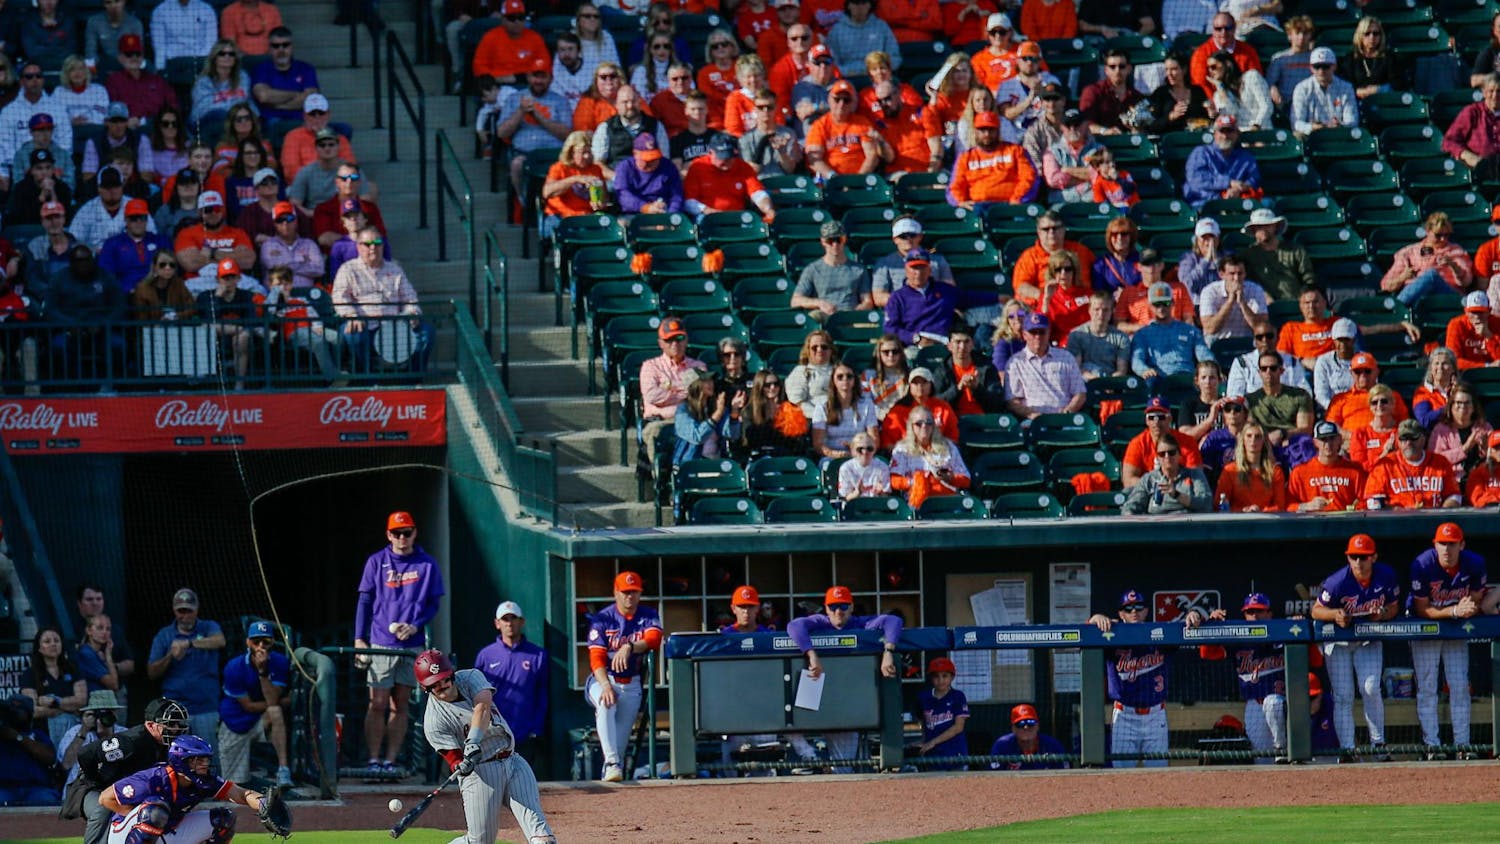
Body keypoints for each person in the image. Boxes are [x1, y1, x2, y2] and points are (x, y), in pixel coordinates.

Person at [412, 651, 556, 844]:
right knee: (480, 842)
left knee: (543, 839)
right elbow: (453, 758)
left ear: (451, 674)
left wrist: (472, 740)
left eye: (444, 678)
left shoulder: (470, 677)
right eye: (434, 684)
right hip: (481, 775)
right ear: (425, 687)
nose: (442, 685)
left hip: (513, 762)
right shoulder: (433, 721)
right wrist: (460, 765)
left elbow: (483, 706)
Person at [354, 511, 445, 774]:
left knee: (400, 703)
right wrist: (360, 639)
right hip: (380, 642)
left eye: (406, 532)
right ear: (388, 535)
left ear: (415, 533)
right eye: (396, 533)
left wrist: (416, 624)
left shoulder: (427, 564)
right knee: (377, 702)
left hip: (411, 644)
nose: (402, 538)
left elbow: (433, 603)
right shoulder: (376, 562)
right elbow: (365, 601)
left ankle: (391, 761)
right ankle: (373, 760)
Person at [786, 585, 901, 772]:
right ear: (826, 608)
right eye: (833, 607)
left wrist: (888, 651)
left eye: (843, 606)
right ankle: (812, 759)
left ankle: (831, 779)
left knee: (843, 769)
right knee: (787, 722)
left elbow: (893, 621)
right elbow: (794, 626)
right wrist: (811, 654)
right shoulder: (821, 622)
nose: (838, 612)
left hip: (844, 704)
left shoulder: (860, 623)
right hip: (816, 696)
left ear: (852, 607)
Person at [1088, 589, 1209, 766]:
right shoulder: (1110, 635)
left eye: (1138, 607)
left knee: (1158, 772)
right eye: (1128, 609)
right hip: (1124, 715)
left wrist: (1194, 614)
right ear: (1121, 613)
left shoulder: (1160, 634)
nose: (1134, 612)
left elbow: (1189, 628)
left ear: (1146, 610)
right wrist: (1094, 619)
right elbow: (1085, 633)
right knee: (1121, 775)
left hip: (1155, 715)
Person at [1310, 533, 1400, 760]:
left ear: (1374, 557)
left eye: (1363, 557)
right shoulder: (1337, 581)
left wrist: (1384, 615)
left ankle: (1378, 745)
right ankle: (1347, 749)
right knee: (1343, 696)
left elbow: (1394, 606)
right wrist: (1335, 614)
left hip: (1367, 639)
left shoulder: (1386, 576)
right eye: (1354, 557)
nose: (1359, 562)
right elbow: (1316, 610)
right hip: (1339, 642)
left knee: (1370, 688)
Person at [1407, 522, 1489, 759]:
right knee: (1427, 688)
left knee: (1460, 686)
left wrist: (1466, 609)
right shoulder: (1422, 564)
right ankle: (1432, 746)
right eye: (1442, 543)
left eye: (1451, 544)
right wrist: (1454, 611)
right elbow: (1423, 609)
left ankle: (1462, 746)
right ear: (1435, 544)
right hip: (1426, 629)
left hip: (1455, 631)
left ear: (1461, 545)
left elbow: (1474, 600)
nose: (1446, 549)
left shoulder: (1474, 563)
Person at [100, 735, 275, 842]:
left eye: (205, 759)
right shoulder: (153, 778)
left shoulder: (204, 780)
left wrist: (264, 804)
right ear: (181, 761)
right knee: (155, 810)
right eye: (198, 760)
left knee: (224, 819)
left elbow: (239, 794)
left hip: (168, 831)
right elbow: (105, 798)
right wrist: (141, 816)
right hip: (125, 835)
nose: (204, 764)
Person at [586, 571, 662, 783]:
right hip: (604, 679)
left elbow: (654, 639)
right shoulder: (603, 618)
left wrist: (629, 646)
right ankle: (610, 762)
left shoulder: (648, 614)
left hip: (632, 683)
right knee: (606, 703)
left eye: (634, 592)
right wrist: (605, 685)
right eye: (626, 592)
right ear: (616, 592)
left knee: (619, 748)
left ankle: (610, 771)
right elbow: (596, 657)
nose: (630, 597)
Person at [1197, 593, 1291, 760]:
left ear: (1270, 614)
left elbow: (1315, 661)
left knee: (1273, 703)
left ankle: (1281, 748)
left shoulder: (1284, 632)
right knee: (1261, 761)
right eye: (1250, 612)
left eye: (1259, 611)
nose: (1254, 615)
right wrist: (1212, 625)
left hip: (1284, 707)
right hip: (1254, 706)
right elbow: (1207, 654)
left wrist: (1298, 624)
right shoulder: (1239, 639)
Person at [332, 226, 433, 373]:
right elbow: (339, 297)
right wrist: (352, 316)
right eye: (367, 244)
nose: (373, 247)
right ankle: (364, 378)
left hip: (395, 325)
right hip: (365, 324)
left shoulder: (395, 269)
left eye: (377, 243)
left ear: (383, 245)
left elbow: (410, 297)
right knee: (353, 334)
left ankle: (413, 376)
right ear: (359, 247)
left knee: (426, 332)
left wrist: (411, 312)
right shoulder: (348, 269)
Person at [145, 589, 224, 751]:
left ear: (196, 610)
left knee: (208, 757)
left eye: (189, 611)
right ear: (174, 610)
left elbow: (220, 641)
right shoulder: (165, 635)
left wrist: (188, 643)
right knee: (177, 758)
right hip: (175, 711)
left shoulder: (208, 627)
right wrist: (170, 656)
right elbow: (151, 672)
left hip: (206, 708)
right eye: (181, 611)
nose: (185, 615)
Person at [217, 620, 291, 788]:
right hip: (235, 723)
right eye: (256, 641)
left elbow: (272, 703)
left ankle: (283, 770)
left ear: (272, 642)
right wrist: (283, 702)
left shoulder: (279, 662)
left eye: (265, 641)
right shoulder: (234, 667)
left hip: (260, 720)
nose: (260, 646)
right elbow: (248, 706)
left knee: (275, 712)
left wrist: (263, 672)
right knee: (233, 786)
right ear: (248, 642)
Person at [473, 601, 548, 764]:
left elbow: (542, 694)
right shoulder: (485, 656)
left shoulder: (538, 655)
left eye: (513, 618)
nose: (509, 623)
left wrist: (536, 727)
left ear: (522, 622)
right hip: (493, 732)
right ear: (497, 623)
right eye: (505, 619)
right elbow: (476, 695)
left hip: (525, 733)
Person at [1363, 418, 1463, 509]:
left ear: (1423, 439)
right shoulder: (1385, 465)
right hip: (1396, 523)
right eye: (1404, 438)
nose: (1408, 443)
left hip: (1432, 520)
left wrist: (1441, 512)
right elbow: (1372, 501)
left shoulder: (1440, 462)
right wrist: (1394, 510)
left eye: (1413, 438)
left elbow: (1455, 496)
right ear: (1398, 441)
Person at [1380, 212, 1475, 307]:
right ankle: (1398, 308)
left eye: (1446, 235)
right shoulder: (1409, 252)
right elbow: (1385, 285)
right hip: (1417, 296)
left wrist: (1453, 265)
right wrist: (1403, 277)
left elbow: (1467, 281)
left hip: (1447, 294)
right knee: (1429, 276)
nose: (1443, 239)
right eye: (1438, 235)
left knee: (1432, 275)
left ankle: (1397, 307)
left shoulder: (1456, 251)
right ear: (1428, 231)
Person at [1004, 311, 1086, 419]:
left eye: (1042, 332)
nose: (1037, 336)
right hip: (1032, 421)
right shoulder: (1015, 363)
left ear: (1049, 333)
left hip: (1065, 419)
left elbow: (1080, 393)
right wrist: (1033, 415)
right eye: (1033, 332)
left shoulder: (1066, 357)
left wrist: (1067, 411)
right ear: (1024, 335)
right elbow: (1012, 401)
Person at [1129, 282, 1214, 385]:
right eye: (1157, 304)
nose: (1161, 308)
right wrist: (1144, 370)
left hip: (1187, 377)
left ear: (1173, 302)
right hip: (1159, 379)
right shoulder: (1142, 334)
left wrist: (1214, 368)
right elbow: (1136, 360)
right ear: (1150, 305)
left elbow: (1204, 355)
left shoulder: (1190, 331)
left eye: (1166, 303)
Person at [949, 110, 1037, 209]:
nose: (987, 134)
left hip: (1010, 206)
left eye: (991, 130)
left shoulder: (1016, 151)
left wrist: (1017, 199)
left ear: (998, 130)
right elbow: (955, 186)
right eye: (982, 130)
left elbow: (1029, 177)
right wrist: (960, 202)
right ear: (975, 132)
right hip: (977, 207)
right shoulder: (965, 157)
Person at [890, 405, 971, 509]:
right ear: (911, 426)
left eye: (929, 423)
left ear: (934, 426)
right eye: (919, 424)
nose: (924, 427)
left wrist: (950, 478)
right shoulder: (902, 449)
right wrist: (915, 481)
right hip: (917, 501)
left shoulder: (948, 446)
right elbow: (893, 480)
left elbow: (966, 479)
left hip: (947, 499)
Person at [682, 134, 776, 222]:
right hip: (707, 215)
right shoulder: (698, 167)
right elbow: (689, 201)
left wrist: (768, 209)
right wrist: (708, 210)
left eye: (729, 157)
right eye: (722, 158)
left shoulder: (742, 167)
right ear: (711, 153)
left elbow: (757, 193)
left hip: (737, 215)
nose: (726, 163)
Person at [1010, 211, 1095, 308]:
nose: (1051, 232)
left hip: (1079, 305)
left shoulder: (1081, 251)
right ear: (1039, 231)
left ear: (1063, 229)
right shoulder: (1029, 256)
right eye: (1046, 229)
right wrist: (1047, 297)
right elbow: (1021, 287)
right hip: (1043, 307)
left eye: (1055, 228)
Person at [195, 258, 257, 387]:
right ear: (218, 279)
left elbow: (252, 319)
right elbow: (207, 319)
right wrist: (217, 298)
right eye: (225, 278)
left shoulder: (247, 296)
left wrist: (239, 331)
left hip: (240, 339)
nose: (229, 281)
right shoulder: (206, 296)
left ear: (238, 278)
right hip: (215, 339)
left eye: (232, 277)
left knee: (242, 336)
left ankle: (239, 384)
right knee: (206, 327)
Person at [805, 79, 886, 177]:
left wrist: (858, 179)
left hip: (861, 179)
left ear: (852, 103)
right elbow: (814, 159)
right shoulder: (820, 125)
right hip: (831, 181)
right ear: (829, 100)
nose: (841, 104)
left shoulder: (862, 123)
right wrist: (833, 177)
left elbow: (872, 156)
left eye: (846, 100)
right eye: (837, 99)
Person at [174, 191, 255, 287]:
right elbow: (190, 264)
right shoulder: (187, 233)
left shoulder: (238, 233)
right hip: (199, 281)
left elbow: (248, 261)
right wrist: (231, 256)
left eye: (217, 209)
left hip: (235, 280)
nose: (213, 213)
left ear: (223, 210)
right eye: (208, 210)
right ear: (199, 212)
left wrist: (212, 253)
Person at [24, 626, 87, 748]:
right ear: (39, 648)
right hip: (42, 733)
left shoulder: (73, 670)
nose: (53, 644)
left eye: (56, 641)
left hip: (73, 730)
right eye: (47, 641)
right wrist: (65, 708)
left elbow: (81, 701)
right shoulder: (30, 674)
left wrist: (54, 701)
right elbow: (33, 710)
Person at [869, 217, 954, 309]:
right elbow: (878, 297)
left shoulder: (938, 261)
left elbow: (949, 289)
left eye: (912, 235)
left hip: (932, 309)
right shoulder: (884, 263)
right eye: (903, 236)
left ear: (920, 237)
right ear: (895, 239)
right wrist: (910, 301)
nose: (908, 239)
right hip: (900, 311)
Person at [884, 247, 959, 348]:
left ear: (929, 270)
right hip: (914, 346)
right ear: (906, 270)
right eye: (914, 268)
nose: (918, 273)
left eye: (922, 267)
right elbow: (890, 328)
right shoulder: (898, 297)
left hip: (945, 345)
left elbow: (972, 298)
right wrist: (914, 338)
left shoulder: (945, 290)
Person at [1121, 396, 1203, 488]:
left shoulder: (1187, 442)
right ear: (1147, 421)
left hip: (1180, 492)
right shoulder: (1138, 443)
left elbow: (1196, 477)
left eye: (1161, 417)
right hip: (1147, 492)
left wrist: (1173, 488)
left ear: (1170, 419)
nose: (1156, 422)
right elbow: (1128, 479)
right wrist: (1156, 485)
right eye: (1151, 417)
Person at [1183, 114, 1261, 210]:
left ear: (1237, 134)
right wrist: (1228, 183)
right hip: (1204, 204)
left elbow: (1254, 178)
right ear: (1215, 134)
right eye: (1222, 131)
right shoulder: (1201, 152)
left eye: (1229, 131)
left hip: (1238, 203)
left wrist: (1239, 189)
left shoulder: (1245, 156)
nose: (1225, 136)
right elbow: (1195, 179)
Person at [1288, 421, 1367, 512]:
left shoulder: (1355, 471)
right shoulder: (1300, 473)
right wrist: (1307, 506)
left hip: (1345, 523)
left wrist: (1353, 509)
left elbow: (1366, 502)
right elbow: (1288, 507)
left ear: (1339, 440)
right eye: (1323, 439)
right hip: (1313, 523)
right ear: (1315, 442)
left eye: (1332, 438)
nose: (1328, 444)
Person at [1331, 357, 1411, 446]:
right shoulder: (1340, 399)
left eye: (1367, 371)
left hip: (1387, 440)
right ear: (1351, 373)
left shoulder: (1392, 396)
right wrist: (1354, 436)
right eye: (1357, 372)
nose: (1363, 375)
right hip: (1350, 442)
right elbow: (1332, 426)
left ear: (1377, 372)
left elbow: (1405, 423)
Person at [249, 27, 318, 129]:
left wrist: (276, 104)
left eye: (285, 45)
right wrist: (296, 94)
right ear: (270, 49)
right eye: (276, 46)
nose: (281, 50)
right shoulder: (261, 69)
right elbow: (263, 96)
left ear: (292, 46)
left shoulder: (306, 69)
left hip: (301, 120)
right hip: (272, 121)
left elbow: (311, 100)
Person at [57, 691, 124, 794]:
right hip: (78, 792)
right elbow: (66, 764)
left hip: (113, 790)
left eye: (107, 712)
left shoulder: (124, 734)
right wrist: (83, 731)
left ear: (115, 713)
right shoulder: (76, 732)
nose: (102, 718)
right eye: (98, 714)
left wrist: (107, 734)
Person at [97, 198, 171, 293]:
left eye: (142, 218)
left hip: (157, 291)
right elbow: (107, 275)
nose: (138, 222)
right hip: (125, 295)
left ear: (147, 219)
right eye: (134, 218)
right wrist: (129, 290)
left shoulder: (160, 241)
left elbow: (170, 269)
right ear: (126, 220)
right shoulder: (112, 244)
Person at [105, 35, 179, 126]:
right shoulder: (114, 81)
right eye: (129, 54)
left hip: (158, 127)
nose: (134, 58)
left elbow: (173, 104)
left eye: (138, 54)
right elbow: (113, 109)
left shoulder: (157, 80)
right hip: (130, 129)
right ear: (120, 58)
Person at [472, 0, 551, 84]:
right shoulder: (490, 37)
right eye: (512, 18)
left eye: (521, 17)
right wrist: (496, 80)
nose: (517, 22)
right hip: (497, 86)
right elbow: (479, 67)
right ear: (503, 20)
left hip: (528, 86)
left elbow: (545, 65)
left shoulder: (535, 38)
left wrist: (520, 78)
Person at [1116, 251, 1193, 335]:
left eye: (1155, 264)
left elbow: (1188, 320)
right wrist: (1143, 328)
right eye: (1147, 264)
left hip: (1173, 337)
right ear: (1138, 267)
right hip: (1142, 338)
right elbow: (1118, 325)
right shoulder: (1128, 292)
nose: (1151, 268)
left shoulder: (1179, 289)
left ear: (1162, 266)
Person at [931, 326, 1003, 415]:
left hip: (984, 420)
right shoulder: (942, 371)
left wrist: (977, 388)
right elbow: (936, 403)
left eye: (966, 342)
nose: (962, 347)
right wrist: (958, 389)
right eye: (958, 342)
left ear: (972, 344)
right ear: (949, 346)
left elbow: (997, 403)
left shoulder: (987, 368)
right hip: (955, 421)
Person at [0, 695, 58, 806]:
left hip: (36, 788)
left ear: (29, 714)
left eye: (18, 710)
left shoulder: (37, 734)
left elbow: (50, 758)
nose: (13, 714)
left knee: (47, 800)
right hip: (4, 787)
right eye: (11, 710)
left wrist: (18, 738)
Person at [1226, 322, 1309, 400]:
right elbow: (1234, 397)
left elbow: (1305, 393)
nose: (1264, 340)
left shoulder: (1291, 361)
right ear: (1254, 341)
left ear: (1277, 338)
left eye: (1269, 336)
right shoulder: (1242, 364)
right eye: (1259, 337)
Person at [881, 366, 958, 449]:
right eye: (915, 383)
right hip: (907, 453)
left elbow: (953, 436)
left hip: (937, 451)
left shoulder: (943, 407)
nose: (920, 386)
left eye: (924, 382)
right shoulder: (898, 410)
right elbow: (888, 442)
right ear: (909, 386)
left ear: (931, 385)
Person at [1215, 422, 1287, 511]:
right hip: (1237, 521)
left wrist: (1261, 511)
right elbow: (1219, 505)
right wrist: (1242, 511)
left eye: (1258, 436)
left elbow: (1280, 506)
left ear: (1264, 441)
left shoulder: (1275, 471)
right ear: (1243, 440)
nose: (1253, 440)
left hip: (1267, 521)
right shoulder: (1230, 471)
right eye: (1249, 436)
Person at [1199, 255, 1268, 345]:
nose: (1236, 278)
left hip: (1246, 341)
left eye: (1240, 273)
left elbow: (1261, 327)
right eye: (1232, 274)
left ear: (1245, 274)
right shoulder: (1209, 292)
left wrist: (1242, 303)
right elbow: (1210, 329)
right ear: (1221, 274)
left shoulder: (1256, 290)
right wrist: (1230, 301)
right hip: (1218, 341)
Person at [1290, 47, 1356, 139]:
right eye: (1317, 67)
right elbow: (1296, 123)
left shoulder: (1346, 88)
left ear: (1334, 67)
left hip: (1338, 134)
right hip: (1311, 135)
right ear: (1311, 68)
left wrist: (1340, 125)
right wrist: (1312, 127)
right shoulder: (1301, 88)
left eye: (1326, 66)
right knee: (1297, 135)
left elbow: (1352, 120)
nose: (1321, 71)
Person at [915, 657, 968, 769]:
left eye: (945, 676)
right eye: (936, 676)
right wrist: (923, 741)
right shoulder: (923, 697)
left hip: (954, 753)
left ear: (952, 677)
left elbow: (959, 727)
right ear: (931, 678)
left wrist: (933, 742)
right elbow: (922, 722)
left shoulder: (958, 696)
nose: (941, 680)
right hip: (932, 754)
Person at [1431, 385, 1491, 483]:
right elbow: (1435, 460)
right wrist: (1465, 448)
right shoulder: (1440, 430)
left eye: (1467, 403)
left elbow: (1495, 456)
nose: (1463, 407)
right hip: (1452, 482)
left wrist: (1485, 447)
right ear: (1451, 406)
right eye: (1458, 403)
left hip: (1482, 481)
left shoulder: (1484, 427)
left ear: (1474, 407)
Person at [1190, 12, 1263, 92]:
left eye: (1228, 28)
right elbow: (1201, 85)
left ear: (1234, 28)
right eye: (1218, 29)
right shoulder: (1201, 53)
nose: (1223, 32)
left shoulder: (1248, 51)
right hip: (1213, 100)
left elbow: (1256, 82)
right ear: (1213, 30)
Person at [1080, 49, 1145, 135]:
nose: (1117, 71)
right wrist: (1105, 131)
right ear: (1106, 70)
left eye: (1122, 66)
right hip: (1099, 143)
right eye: (1112, 67)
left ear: (1129, 69)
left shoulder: (1137, 96)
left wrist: (1137, 131)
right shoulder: (1093, 91)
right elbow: (1085, 124)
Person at [259, 201, 323, 287]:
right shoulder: (268, 245)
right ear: (274, 224)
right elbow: (274, 268)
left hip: (306, 294)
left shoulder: (309, 244)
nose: (285, 223)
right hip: (278, 295)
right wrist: (303, 265)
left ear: (296, 221)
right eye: (280, 220)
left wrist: (288, 266)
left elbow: (319, 269)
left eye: (289, 218)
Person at [189, 40, 252, 128]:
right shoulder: (203, 82)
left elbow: (243, 100)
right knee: (220, 115)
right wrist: (232, 109)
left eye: (231, 54)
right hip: (204, 121)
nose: (227, 56)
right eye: (222, 54)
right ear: (214, 58)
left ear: (235, 58)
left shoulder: (242, 77)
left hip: (235, 119)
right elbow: (204, 109)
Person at [827, 0, 898, 78]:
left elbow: (894, 57)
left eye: (863, 3)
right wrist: (845, 72)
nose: (860, 7)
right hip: (846, 78)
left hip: (877, 78)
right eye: (856, 3)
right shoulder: (837, 30)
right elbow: (832, 60)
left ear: (870, 5)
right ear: (848, 5)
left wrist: (878, 70)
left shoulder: (881, 27)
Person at [1205, 51, 1273, 131]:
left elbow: (1266, 106)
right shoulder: (1218, 94)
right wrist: (1220, 88)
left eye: (1213, 67)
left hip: (1262, 130)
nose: (1211, 71)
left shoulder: (1252, 77)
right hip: (1238, 136)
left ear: (1227, 64)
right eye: (1208, 68)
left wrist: (1256, 125)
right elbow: (1231, 114)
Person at [614, 132, 682, 213]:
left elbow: (676, 197)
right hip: (633, 213)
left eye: (654, 159)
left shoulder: (668, 167)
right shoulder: (625, 167)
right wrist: (646, 207)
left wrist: (669, 217)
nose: (651, 163)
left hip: (663, 211)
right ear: (635, 154)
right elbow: (623, 195)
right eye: (646, 160)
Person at [1068, 290, 1129, 380]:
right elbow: (1076, 369)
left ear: (1112, 311)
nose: (1101, 314)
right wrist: (1096, 380)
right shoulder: (1076, 335)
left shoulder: (1121, 338)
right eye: (1096, 309)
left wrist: (1110, 383)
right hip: (1085, 384)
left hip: (1111, 384)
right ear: (1089, 310)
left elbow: (1121, 370)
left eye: (1105, 310)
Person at [1145, 54, 1211, 135]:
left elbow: (1206, 118)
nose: (1169, 73)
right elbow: (1151, 125)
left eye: (1174, 69)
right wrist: (1171, 116)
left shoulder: (1197, 91)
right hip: (1170, 141)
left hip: (1195, 138)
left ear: (1184, 70)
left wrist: (1211, 112)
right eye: (1166, 70)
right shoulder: (1160, 94)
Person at [988, 703, 1067, 770]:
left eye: (1030, 722)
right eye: (1020, 724)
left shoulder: (1052, 745)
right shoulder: (1002, 745)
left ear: (1038, 726)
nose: (1026, 727)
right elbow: (993, 775)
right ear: (1013, 729)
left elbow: (1065, 775)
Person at [1037, 251, 1091, 345]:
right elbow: (1039, 327)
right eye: (1058, 269)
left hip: (1086, 343)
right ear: (1052, 273)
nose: (1063, 273)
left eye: (1068, 269)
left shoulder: (1088, 294)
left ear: (1074, 271)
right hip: (1060, 346)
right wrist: (1046, 300)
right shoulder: (1046, 297)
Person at [76, 612, 135, 698]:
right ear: (89, 630)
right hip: (94, 704)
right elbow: (114, 684)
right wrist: (108, 656)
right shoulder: (86, 653)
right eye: (100, 628)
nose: (104, 632)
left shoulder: (96, 653)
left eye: (108, 629)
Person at [1348, 383, 1403, 472]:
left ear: (1392, 404)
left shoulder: (1401, 432)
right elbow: (1359, 467)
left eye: (1384, 401)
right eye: (1374, 402)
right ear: (1370, 407)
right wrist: (1384, 455)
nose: (1379, 405)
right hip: (1370, 480)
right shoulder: (1360, 434)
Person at [131, 250, 195, 321]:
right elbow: (141, 318)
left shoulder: (179, 284)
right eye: (162, 265)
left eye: (172, 265)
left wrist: (176, 316)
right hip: (152, 329)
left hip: (176, 327)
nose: (168, 268)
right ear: (154, 267)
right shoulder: (142, 289)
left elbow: (192, 307)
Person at [1447, 290, 1500, 370]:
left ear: (1489, 311)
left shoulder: (1497, 323)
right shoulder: (1456, 325)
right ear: (1466, 312)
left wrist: (1489, 336)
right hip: (1467, 377)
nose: (1477, 316)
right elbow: (1453, 360)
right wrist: (1486, 366)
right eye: (1473, 312)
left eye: (1481, 312)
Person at [837, 431, 892, 499]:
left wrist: (881, 492)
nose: (865, 452)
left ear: (874, 450)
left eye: (869, 449)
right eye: (860, 449)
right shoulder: (846, 468)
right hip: (854, 506)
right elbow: (845, 498)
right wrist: (857, 493)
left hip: (877, 505)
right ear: (853, 451)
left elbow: (886, 497)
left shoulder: (882, 467)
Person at [1466, 430, 1500, 505]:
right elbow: (1477, 498)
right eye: (1497, 448)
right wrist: (1495, 501)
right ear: (1489, 451)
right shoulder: (1478, 473)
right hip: (1490, 514)